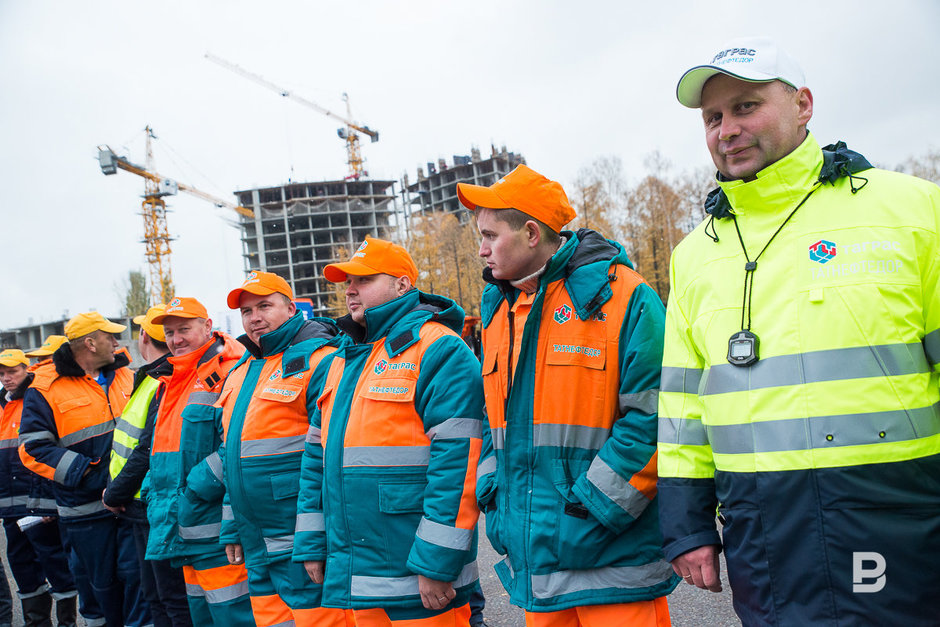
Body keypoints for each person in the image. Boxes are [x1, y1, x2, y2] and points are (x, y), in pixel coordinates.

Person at [658, 36, 940, 625]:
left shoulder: (914, 213)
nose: (727, 130)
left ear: (803, 104)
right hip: (763, 529)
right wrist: (687, 526)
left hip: (898, 519)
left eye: (745, 107)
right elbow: (683, 404)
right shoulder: (694, 255)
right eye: (713, 117)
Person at [457, 165, 677, 627]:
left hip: (612, 559)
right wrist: (494, 495)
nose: (481, 250)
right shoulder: (498, 309)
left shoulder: (625, 296)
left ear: (531, 233)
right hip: (538, 566)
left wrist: (591, 510)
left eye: (490, 236)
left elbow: (657, 416)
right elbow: (491, 418)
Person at [294, 236, 484, 627]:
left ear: (402, 284)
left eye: (363, 280)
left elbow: (458, 463)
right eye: (348, 282)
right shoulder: (341, 360)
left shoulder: (439, 349)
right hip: (360, 575)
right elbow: (315, 460)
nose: (350, 289)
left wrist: (436, 561)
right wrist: (311, 542)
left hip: (416, 576)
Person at [217, 271, 351, 626]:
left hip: (301, 544)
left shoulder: (321, 360)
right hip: (257, 546)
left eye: (264, 306)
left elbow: (328, 460)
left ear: (292, 309)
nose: (254, 318)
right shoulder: (242, 372)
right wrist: (233, 526)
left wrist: (314, 539)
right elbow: (233, 459)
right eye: (246, 311)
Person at [19, 312, 149, 627]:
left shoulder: (127, 376)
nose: (117, 342)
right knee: (101, 589)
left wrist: (124, 484)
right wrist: (94, 477)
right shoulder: (45, 387)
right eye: (110, 337)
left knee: (138, 583)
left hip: (131, 505)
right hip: (86, 512)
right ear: (90, 343)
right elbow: (33, 449)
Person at [143, 297, 254, 626]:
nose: (176, 339)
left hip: (214, 527)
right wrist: (152, 489)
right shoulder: (174, 377)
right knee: (202, 617)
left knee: (233, 616)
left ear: (207, 327)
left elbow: (238, 443)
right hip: (185, 525)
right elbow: (163, 448)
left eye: (184, 330)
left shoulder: (229, 369)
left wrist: (195, 488)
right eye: (169, 333)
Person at [103, 304, 193, 627]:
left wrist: (114, 493)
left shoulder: (161, 380)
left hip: (151, 502)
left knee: (169, 597)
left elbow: (145, 450)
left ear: (142, 336)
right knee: (158, 594)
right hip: (144, 501)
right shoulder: (154, 377)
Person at [0, 349, 78, 627]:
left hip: (39, 506)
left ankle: (67, 622)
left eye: (12, 371)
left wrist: (49, 502)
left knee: (56, 566)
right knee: (23, 568)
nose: (6, 378)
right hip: (10, 507)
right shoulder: (3, 406)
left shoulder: (37, 400)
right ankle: (36, 622)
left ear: (27, 369)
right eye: (2, 373)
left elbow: (47, 452)